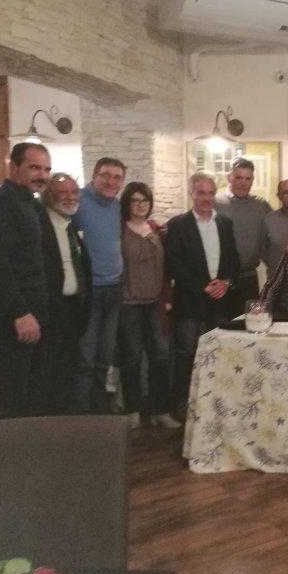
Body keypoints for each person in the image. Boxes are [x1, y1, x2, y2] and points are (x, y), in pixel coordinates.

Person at [0, 143, 52, 420]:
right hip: (13, 318)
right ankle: (2, 449)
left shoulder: (28, 202)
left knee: (29, 393)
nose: (42, 175)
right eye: (34, 167)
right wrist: (20, 313)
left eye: (46, 169)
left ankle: (26, 447)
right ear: (14, 167)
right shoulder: (1, 204)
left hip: (32, 312)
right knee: (10, 397)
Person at [166, 172, 240, 412]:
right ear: (192, 194)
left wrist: (226, 282)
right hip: (189, 299)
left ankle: (215, 402)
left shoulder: (225, 223)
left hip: (219, 299)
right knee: (186, 352)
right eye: (201, 193)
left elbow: (233, 259)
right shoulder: (178, 224)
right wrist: (201, 286)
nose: (207, 198)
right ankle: (183, 404)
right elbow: (173, 263)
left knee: (218, 350)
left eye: (211, 193)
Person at [118, 182, 179, 429]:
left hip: (156, 303)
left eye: (144, 200)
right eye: (135, 200)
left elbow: (166, 269)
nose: (140, 205)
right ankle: (132, 410)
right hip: (128, 304)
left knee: (161, 356)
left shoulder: (157, 230)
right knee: (132, 357)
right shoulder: (119, 230)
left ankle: (160, 410)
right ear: (127, 204)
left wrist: (168, 298)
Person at [73, 156, 126, 414]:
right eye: (105, 175)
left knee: (104, 358)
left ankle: (99, 412)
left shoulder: (117, 206)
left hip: (114, 289)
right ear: (94, 176)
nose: (111, 181)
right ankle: (81, 417)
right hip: (89, 292)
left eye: (117, 178)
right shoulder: (77, 201)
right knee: (85, 359)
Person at [37, 173, 91, 416]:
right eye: (63, 192)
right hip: (50, 313)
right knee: (51, 373)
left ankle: (68, 421)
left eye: (74, 192)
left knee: (70, 369)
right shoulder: (40, 226)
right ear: (49, 195)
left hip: (72, 310)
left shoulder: (70, 225)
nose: (70, 197)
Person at [215, 158, 272, 318]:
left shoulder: (261, 205)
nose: (243, 183)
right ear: (229, 177)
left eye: (248, 178)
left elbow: (280, 221)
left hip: (248, 279)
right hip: (220, 279)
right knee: (220, 326)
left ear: (252, 180)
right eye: (239, 177)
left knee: (249, 325)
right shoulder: (215, 203)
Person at [260, 179, 288, 275]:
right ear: (279, 196)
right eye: (286, 193)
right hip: (276, 278)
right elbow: (262, 250)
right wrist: (276, 265)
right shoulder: (269, 220)